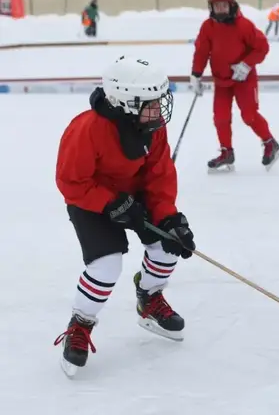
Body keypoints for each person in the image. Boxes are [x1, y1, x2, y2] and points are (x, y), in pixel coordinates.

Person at [54, 55, 197, 375]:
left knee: (168, 244)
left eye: (161, 100)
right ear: (125, 102)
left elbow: (159, 175)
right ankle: (80, 325)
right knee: (107, 265)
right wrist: (111, 203)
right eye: (151, 102)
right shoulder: (87, 130)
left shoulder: (151, 126)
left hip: (132, 197)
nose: (159, 109)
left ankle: (149, 298)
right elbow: (71, 182)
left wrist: (169, 217)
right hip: (89, 201)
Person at [190, 0, 279, 172]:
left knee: (249, 116)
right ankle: (227, 152)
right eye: (217, 6)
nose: (220, 9)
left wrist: (246, 64)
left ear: (231, 5)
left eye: (224, 5)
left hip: (244, 79)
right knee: (220, 118)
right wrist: (196, 75)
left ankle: (270, 143)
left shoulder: (244, 26)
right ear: (211, 7)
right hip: (221, 81)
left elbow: (262, 47)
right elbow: (201, 51)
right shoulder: (208, 27)